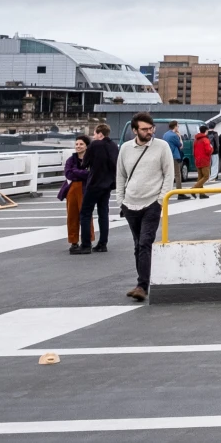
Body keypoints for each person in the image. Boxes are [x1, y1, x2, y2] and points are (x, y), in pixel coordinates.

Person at [115, 112, 176, 302]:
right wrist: (121, 201)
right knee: (137, 245)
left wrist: (160, 200)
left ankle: (142, 285)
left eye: (151, 129)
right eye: (145, 129)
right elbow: (120, 175)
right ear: (135, 131)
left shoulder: (162, 147)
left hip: (152, 203)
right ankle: (141, 282)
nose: (149, 132)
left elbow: (169, 174)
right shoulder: (125, 148)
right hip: (130, 203)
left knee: (144, 243)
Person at [81, 122, 119, 253]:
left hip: (94, 183)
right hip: (108, 184)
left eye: (95, 133)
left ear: (100, 134)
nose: (93, 136)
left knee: (85, 213)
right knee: (103, 213)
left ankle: (86, 245)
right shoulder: (114, 146)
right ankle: (103, 244)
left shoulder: (94, 145)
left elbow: (84, 163)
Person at [57, 135, 89, 253]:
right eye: (77, 144)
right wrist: (80, 172)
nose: (78, 146)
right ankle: (73, 241)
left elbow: (89, 174)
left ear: (86, 146)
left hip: (86, 189)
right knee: (72, 216)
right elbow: (68, 174)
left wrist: (76, 171)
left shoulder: (90, 159)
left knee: (86, 216)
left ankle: (87, 240)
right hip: (72, 189)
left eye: (81, 144)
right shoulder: (71, 159)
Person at [163, 121, 186, 186]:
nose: (178, 127)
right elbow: (181, 146)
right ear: (175, 126)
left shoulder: (165, 135)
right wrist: (180, 137)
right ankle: (180, 192)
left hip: (167, 155)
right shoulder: (174, 135)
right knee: (177, 174)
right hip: (175, 156)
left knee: (168, 174)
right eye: (178, 126)